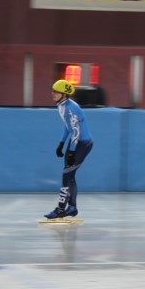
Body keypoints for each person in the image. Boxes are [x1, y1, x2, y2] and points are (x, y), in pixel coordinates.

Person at [45, 79, 94, 219]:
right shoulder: (61, 105)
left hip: (82, 144)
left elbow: (76, 132)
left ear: (64, 94)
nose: (52, 93)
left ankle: (61, 209)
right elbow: (68, 127)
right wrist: (61, 143)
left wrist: (72, 151)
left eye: (56, 91)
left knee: (66, 174)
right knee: (69, 175)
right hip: (76, 142)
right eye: (52, 90)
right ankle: (72, 208)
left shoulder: (70, 108)